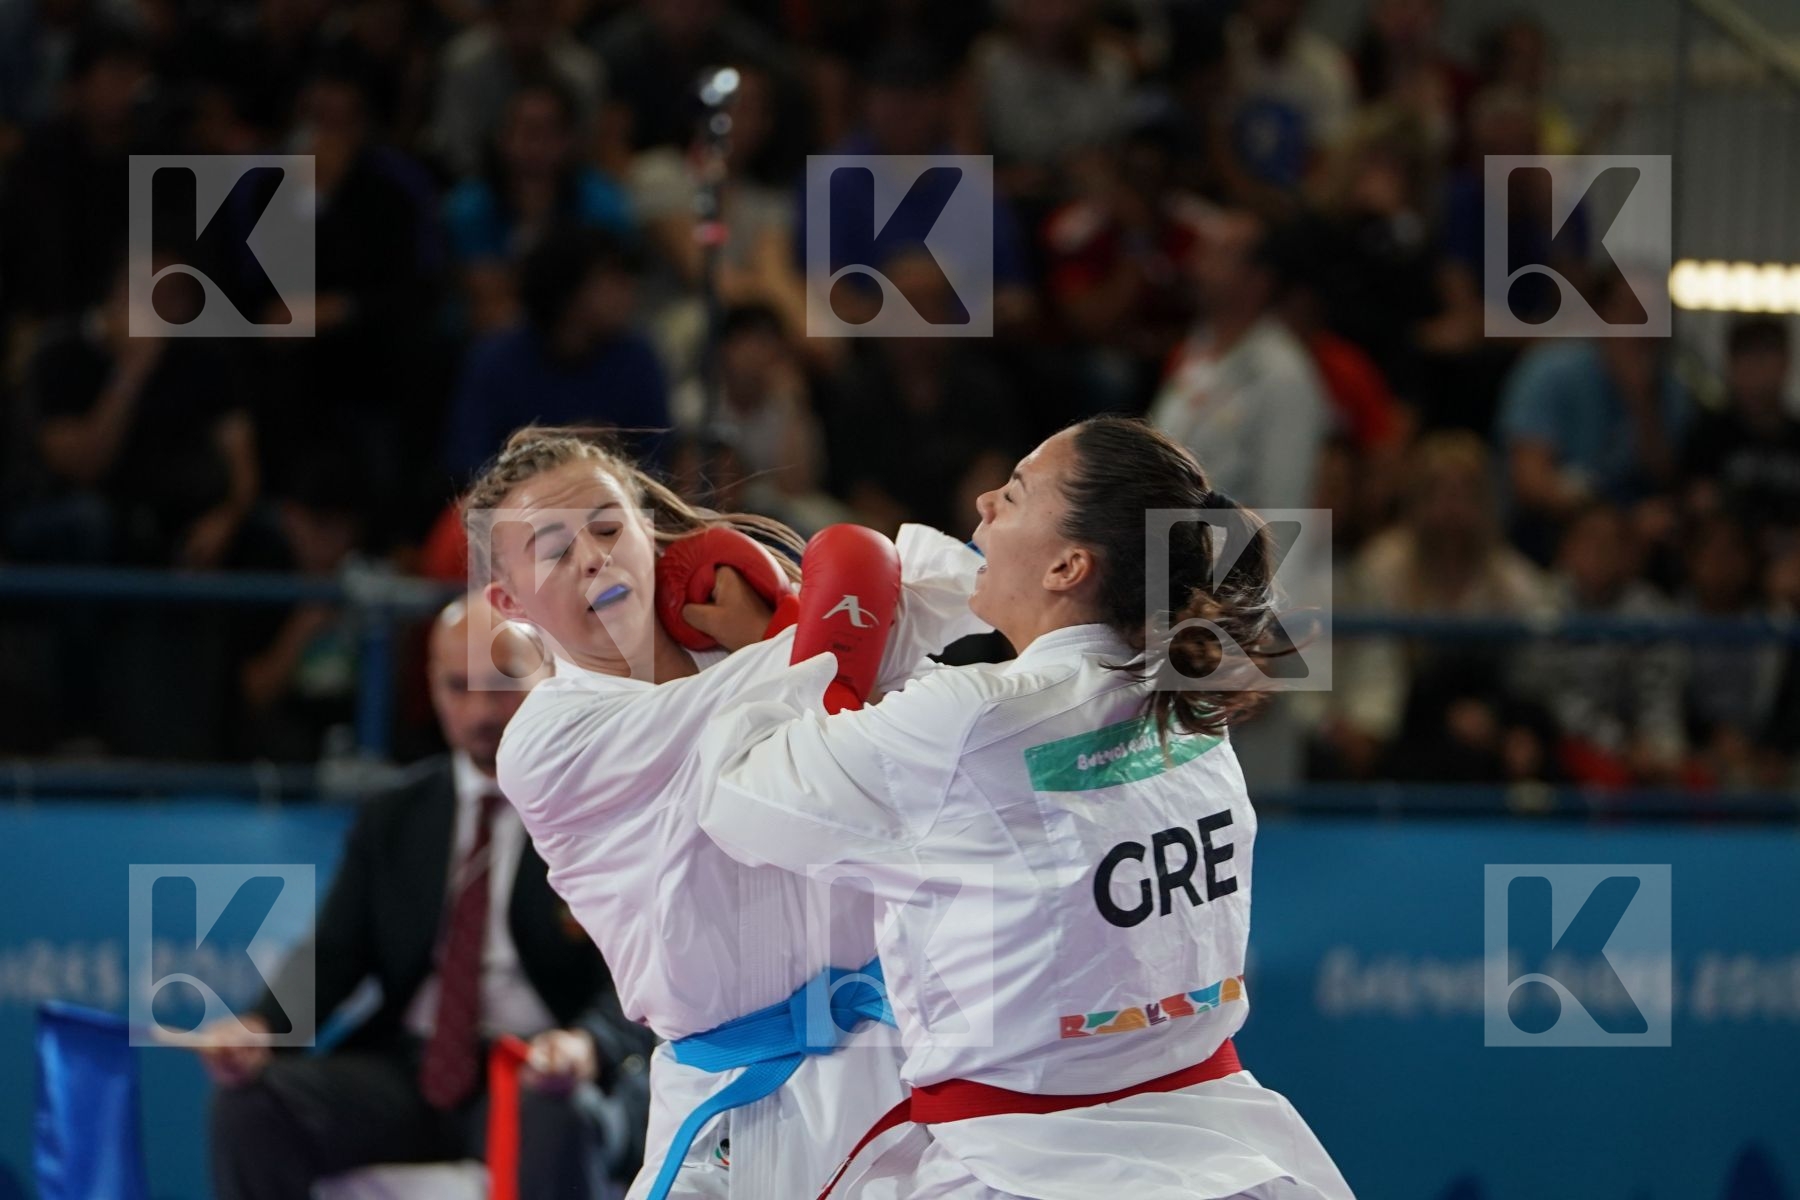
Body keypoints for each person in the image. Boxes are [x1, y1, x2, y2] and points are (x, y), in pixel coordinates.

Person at [694, 416, 1353, 1199]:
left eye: (1012, 493)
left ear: (1071, 564)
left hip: (1029, 1167)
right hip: (1231, 1149)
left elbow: (736, 799)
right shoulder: (1189, 702)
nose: (982, 503)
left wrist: (807, 654)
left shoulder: (975, 718)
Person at [470, 425, 990, 1197]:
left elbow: (953, 601)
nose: (593, 556)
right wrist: (790, 621)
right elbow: (759, 712)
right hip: (726, 1102)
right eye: (553, 548)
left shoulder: (768, 645)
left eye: (610, 528)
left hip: (898, 1069)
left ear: (648, 532)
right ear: (509, 602)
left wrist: (795, 622)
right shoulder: (547, 742)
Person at [200, 596, 655, 1199]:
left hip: (539, 1071)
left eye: (502, 686)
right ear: (431, 688)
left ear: (552, 676)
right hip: (411, 1070)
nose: (481, 712)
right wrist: (263, 1026)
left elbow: (641, 976)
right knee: (251, 1108)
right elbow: (336, 952)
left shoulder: (603, 812)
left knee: (553, 1113)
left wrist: (586, 1045)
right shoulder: (396, 814)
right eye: (458, 687)